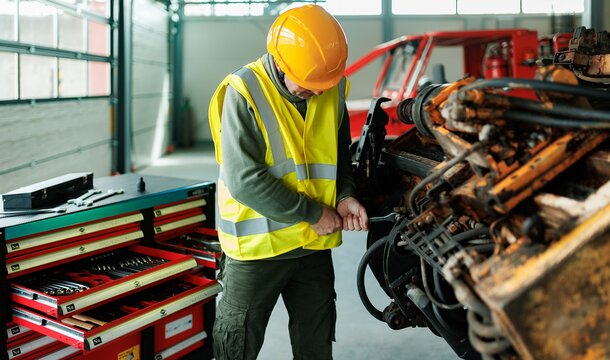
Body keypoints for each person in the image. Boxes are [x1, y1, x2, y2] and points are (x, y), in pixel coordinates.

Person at [208, 4, 369, 359]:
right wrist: (313, 212)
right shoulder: (244, 91)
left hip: (312, 245)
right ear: (280, 62)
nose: (318, 92)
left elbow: (340, 157)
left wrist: (344, 196)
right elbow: (244, 179)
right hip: (257, 251)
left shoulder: (330, 86)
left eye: (323, 85)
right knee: (236, 344)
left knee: (316, 341)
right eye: (309, 86)